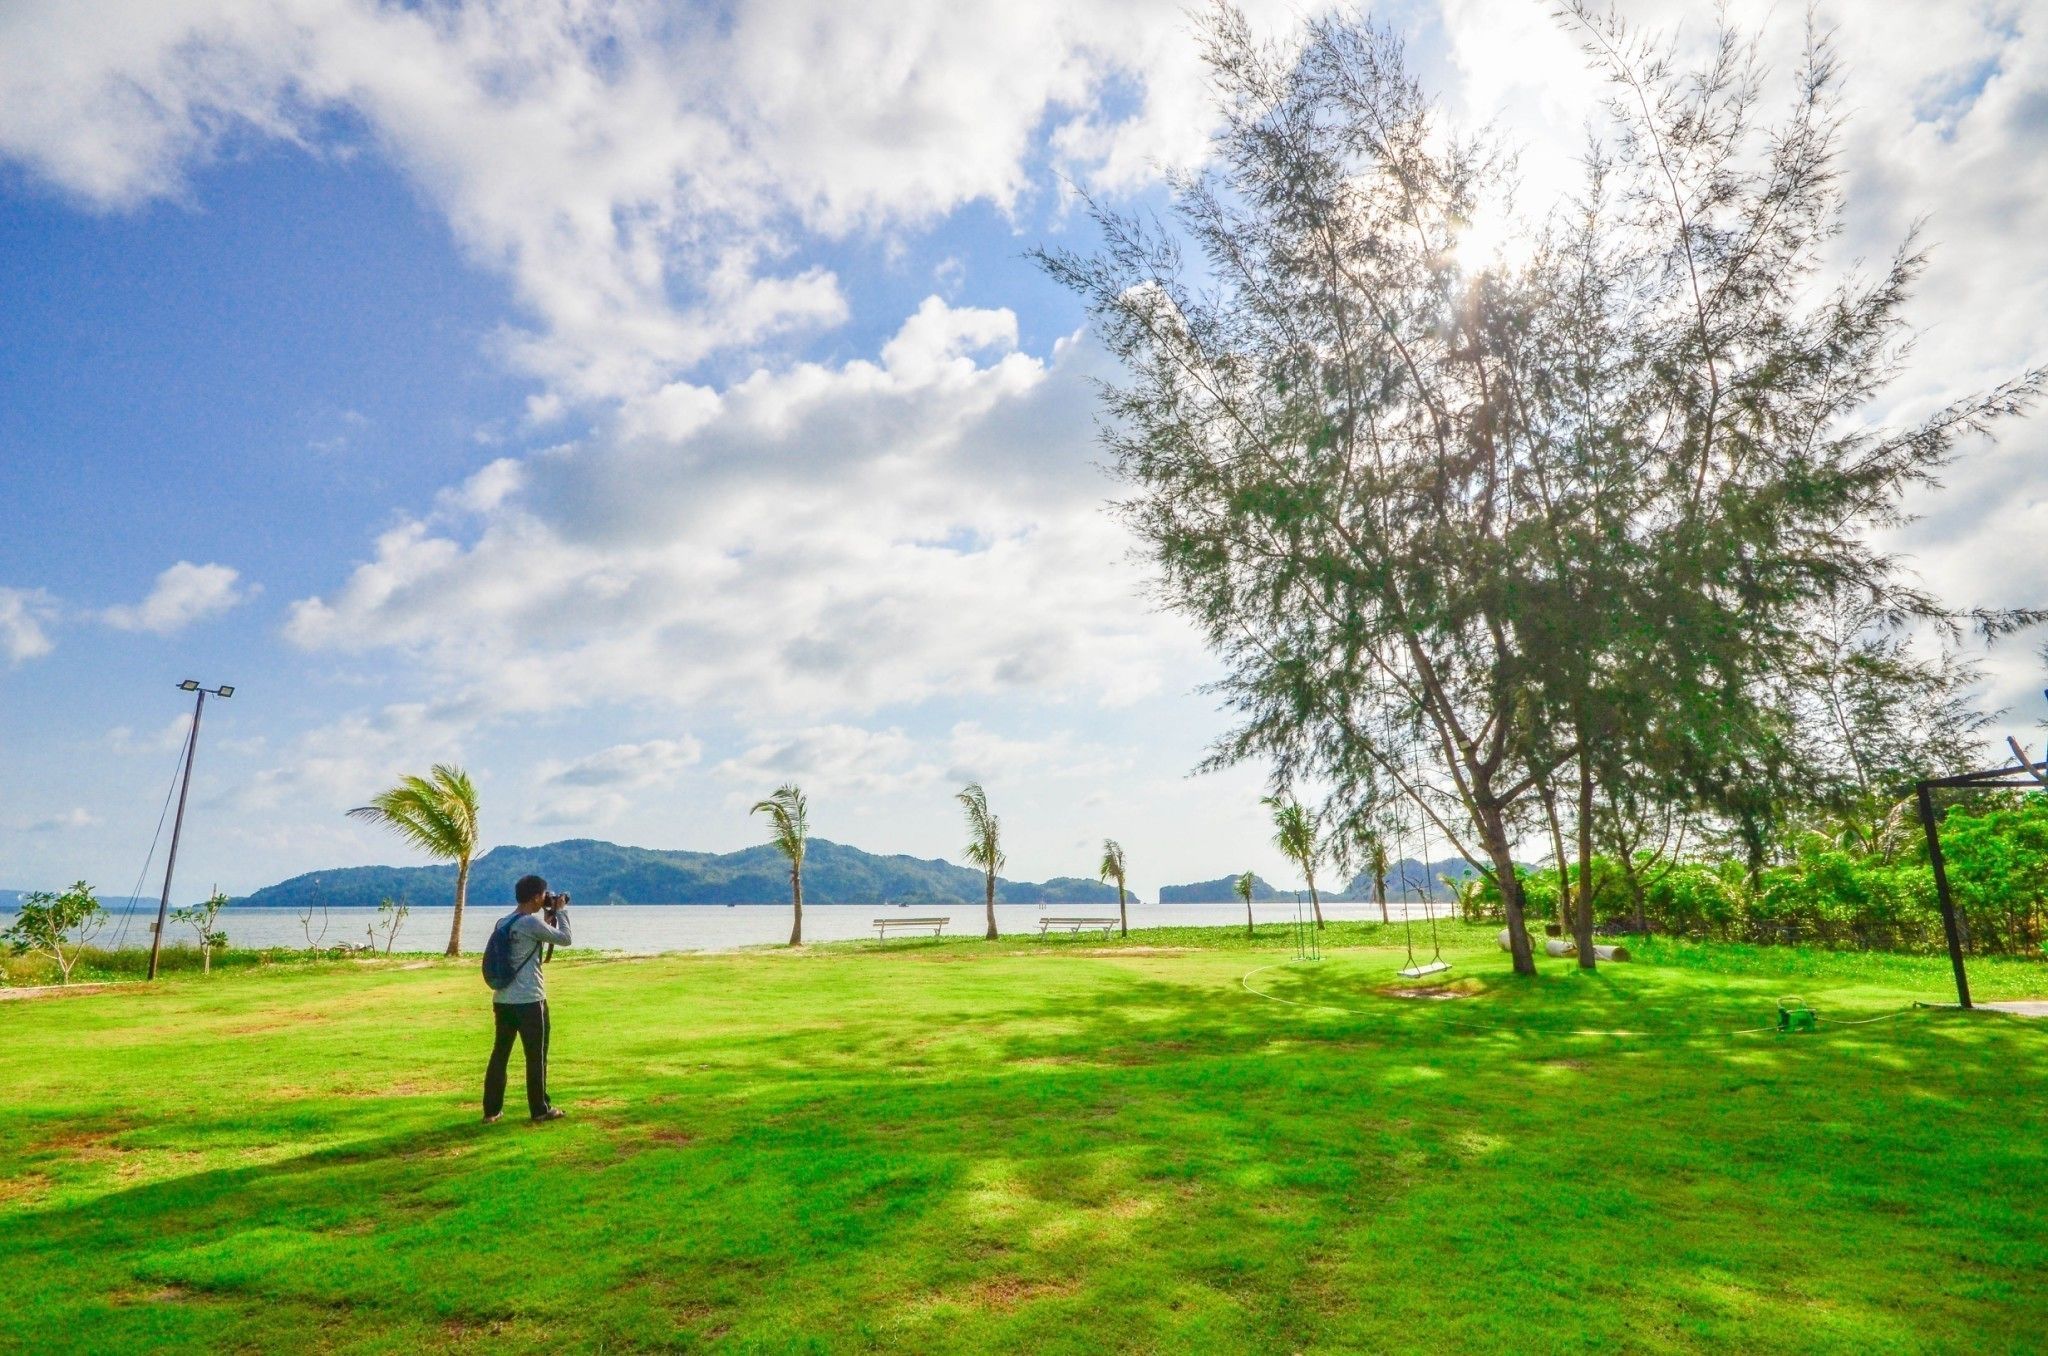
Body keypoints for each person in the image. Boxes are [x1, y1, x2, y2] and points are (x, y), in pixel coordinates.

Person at [483, 874, 571, 1124]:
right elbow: (565, 939)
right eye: (544, 895)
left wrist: (547, 920)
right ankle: (540, 1109)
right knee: (536, 1056)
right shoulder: (529, 924)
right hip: (530, 1001)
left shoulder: (504, 922)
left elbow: (533, 942)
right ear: (535, 897)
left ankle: (491, 1111)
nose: (547, 898)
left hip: (503, 1000)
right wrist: (561, 912)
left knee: (500, 1054)